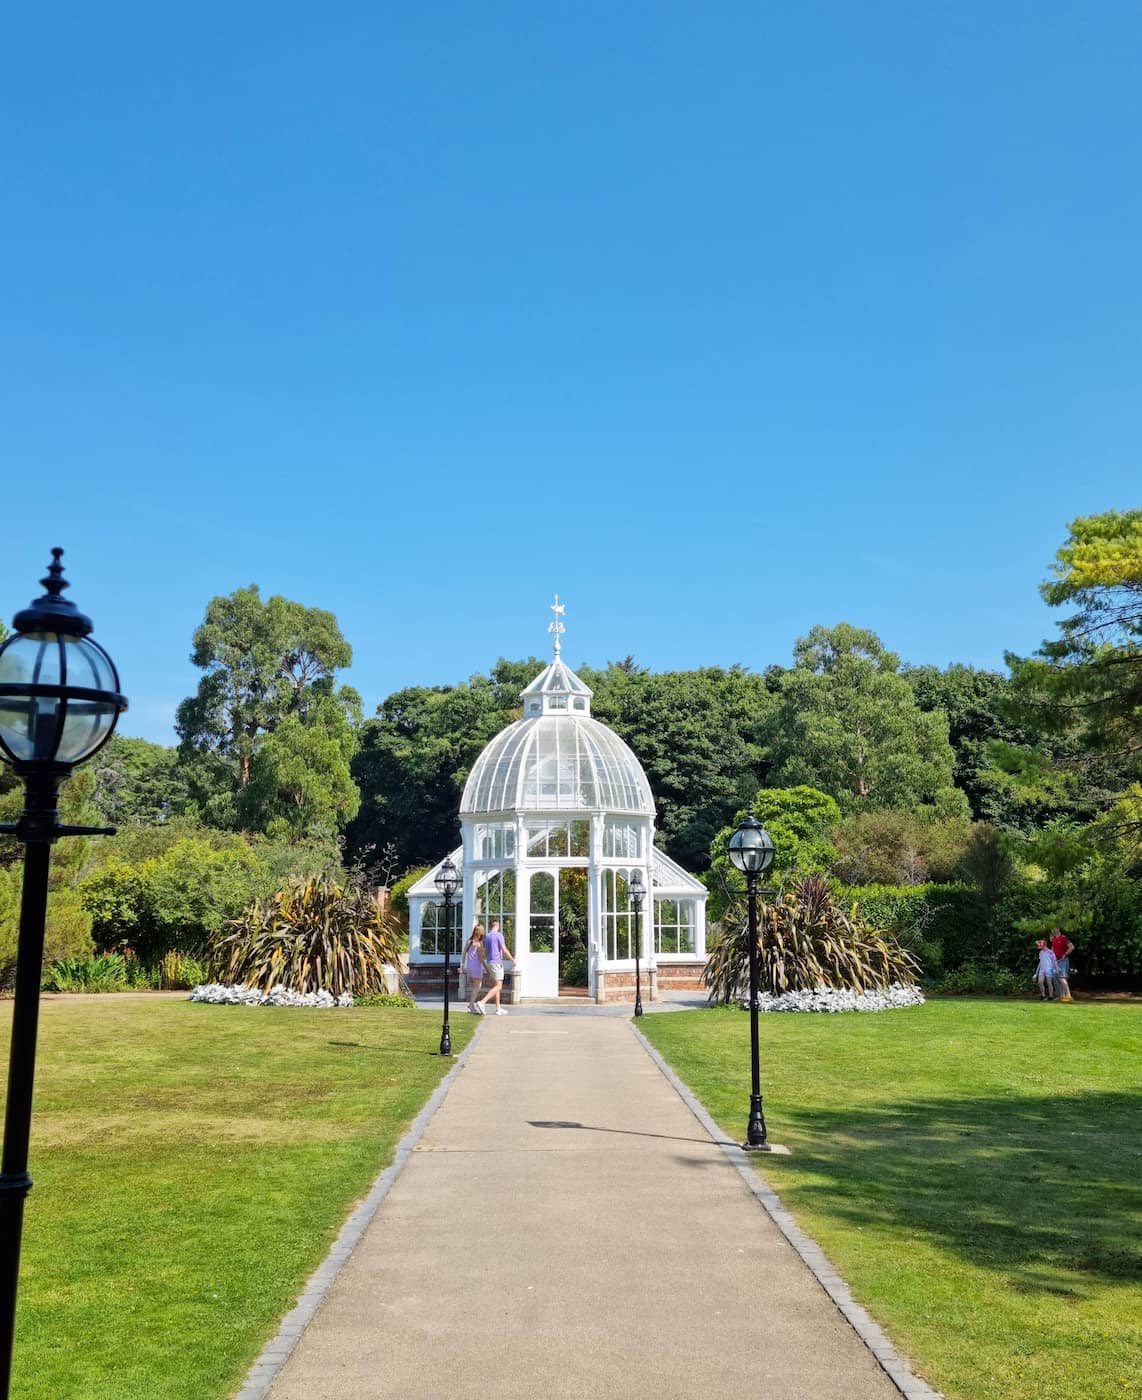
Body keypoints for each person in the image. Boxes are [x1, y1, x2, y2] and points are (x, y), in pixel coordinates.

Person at [477, 919, 515, 1016]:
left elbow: (485, 950)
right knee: (499, 986)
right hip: (496, 962)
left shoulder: (487, 936)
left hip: (490, 962)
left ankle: (498, 1008)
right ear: (498, 925)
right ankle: (482, 1002)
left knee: (496, 985)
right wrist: (512, 959)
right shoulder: (499, 935)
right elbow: (504, 949)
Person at [461, 924, 488, 1015]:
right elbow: (481, 958)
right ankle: (471, 1005)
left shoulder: (469, 941)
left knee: (476, 986)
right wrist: (486, 968)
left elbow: (464, 953)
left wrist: (462, 965)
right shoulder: (479, 944)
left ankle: (471, 1004)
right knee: (477, 987)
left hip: (470, 966)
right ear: (481, 932)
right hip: (476, 966)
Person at [1050, 927, 1075, 1002]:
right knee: (1056, 979)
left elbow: (1071, 947)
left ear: (1058, 929)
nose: (1053, 930)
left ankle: (1068, 996)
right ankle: (1061, 996)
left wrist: (1065, 954)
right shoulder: (1054, 940)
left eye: (1054, 928)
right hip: (1055, 962)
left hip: (1062, 961)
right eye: (1052, 929)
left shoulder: (1063, 938)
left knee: (1062, 978)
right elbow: (1053, 950)